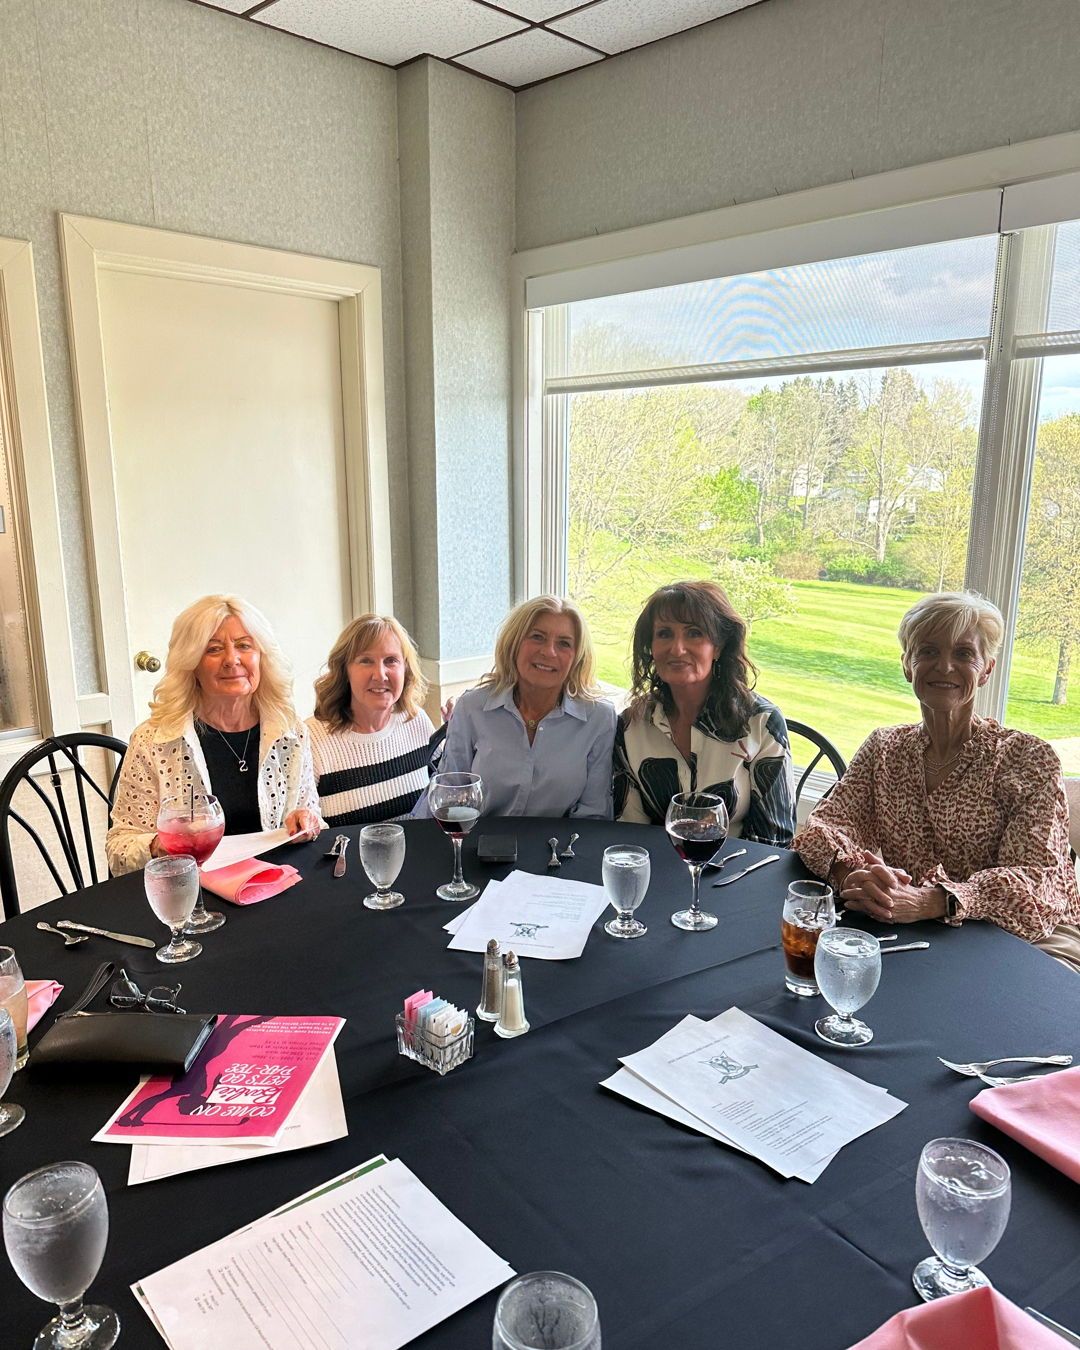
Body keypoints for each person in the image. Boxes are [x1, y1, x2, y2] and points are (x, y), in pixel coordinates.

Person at [794, 591, 1080, 971]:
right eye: (928, 651)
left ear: (987, 669)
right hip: (917, 933)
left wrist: (933, 900)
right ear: (908, 666)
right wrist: (856, 876)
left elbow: (1037, 886)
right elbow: (821, 828)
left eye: (963, 654)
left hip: (1028, 938)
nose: (944, 667)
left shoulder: (1026, 758)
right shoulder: (884, 748)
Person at [106, 595, 323, 874]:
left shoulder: (290, 731)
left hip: (274, 884)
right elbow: (119, 849)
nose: (232, 660)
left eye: (245, 645)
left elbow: (312, 815)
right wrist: (163, 845)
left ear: (262, 658)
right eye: (214, 649)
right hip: (191, 894)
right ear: (192, 664)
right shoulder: (153, 741)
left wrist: (307, 821)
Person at [614, 580, 796, 845]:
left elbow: (773, 841)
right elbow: (629, 836)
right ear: (650, 647)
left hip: (738, 873)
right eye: (664, 633)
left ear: (719, 647)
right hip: (658, 871)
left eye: (694, 633)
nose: (677, 648)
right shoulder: (631, 726)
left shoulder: (762, 723)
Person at [422, 596, 616, 819]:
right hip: (479, 844)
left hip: (558, 849)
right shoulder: (472, 708)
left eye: (564, 643)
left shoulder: (599, 718)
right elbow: (448, 798)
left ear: (577, 657)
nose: (549, 652)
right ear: (514, 643)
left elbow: (594, 813)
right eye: (537, 637)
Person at [307, 614, 437, 825]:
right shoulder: (311, 739)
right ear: (344, 670)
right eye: (366, 661)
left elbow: (447, 794)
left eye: (391, 661)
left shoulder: (417, 721)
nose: (380, 674)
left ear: (405, 668)